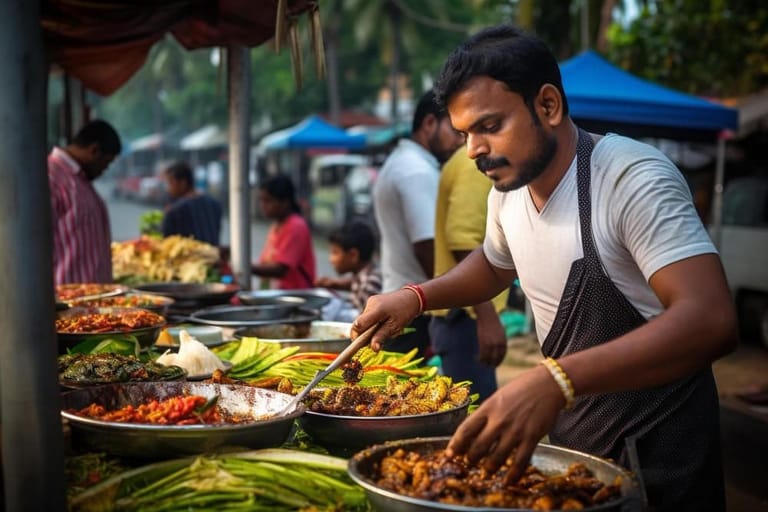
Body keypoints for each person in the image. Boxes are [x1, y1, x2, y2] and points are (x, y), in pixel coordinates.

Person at [352, 24, 737, 511]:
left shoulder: (631, 179)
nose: (473, 150)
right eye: (465, 134)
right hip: (576, 451)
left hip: (660, 461)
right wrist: (417, 297)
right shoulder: (507, 193)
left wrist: (557, 380)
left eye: (490, 126)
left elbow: (710, 320)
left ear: (548, 105)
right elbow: (493, 265)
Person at [372, 89, 464, 357]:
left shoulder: (402, 162)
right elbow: (427, 246)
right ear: (429, 123)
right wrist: (453, 300)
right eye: (455, 130)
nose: (461, 141)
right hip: (413, 307)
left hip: (405, 297)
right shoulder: (416, 171)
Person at [430, 145, 509, 403]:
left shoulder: (469, 160)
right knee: (475, 413)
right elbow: (463, 241)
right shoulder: (473, 163)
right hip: (465, 317)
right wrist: (486, 317)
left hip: (466, 315)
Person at [49, 119, 122, 285]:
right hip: (69, 297)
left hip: (93, 296)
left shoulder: (79, 179)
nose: (104, 170)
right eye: (106, 163)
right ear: (94, 150)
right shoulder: (52, 176)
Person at [251, 174, 316, 290]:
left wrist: (245, 267)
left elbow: (281, 269)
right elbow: (266, 262)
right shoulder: (276, 226)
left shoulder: (296, 226)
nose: (263, 206)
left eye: (268, 201)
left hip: (295, 295)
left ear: (285, 202)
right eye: (262, 201)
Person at [315, 221, 382, 315]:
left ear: (353, 255)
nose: (331, 259)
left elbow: (366, 319)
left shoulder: (369, 285)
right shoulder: (363, 276)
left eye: (335, 253)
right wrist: (334, 283)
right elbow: (355, 283)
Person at [161, 161, 223, 246]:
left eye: (170, 183)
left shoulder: (174, 211)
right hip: (213, 253)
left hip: (187, 254)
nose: (168, 189)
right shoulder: (215, 204)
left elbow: (166, 244)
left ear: (183, 183)